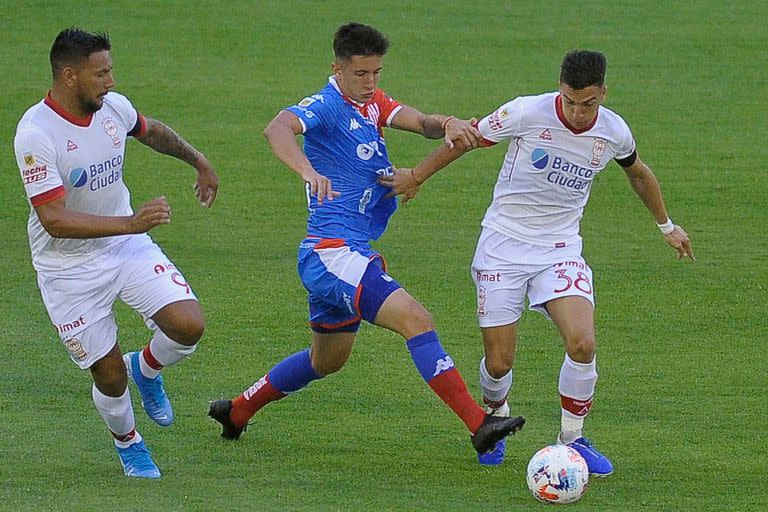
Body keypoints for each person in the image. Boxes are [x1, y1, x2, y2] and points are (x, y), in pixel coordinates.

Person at [208, 22, 525, 456]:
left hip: (346, 253)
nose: (370, 82)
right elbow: (276, 128)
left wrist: (448, 122)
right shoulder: (326, 104)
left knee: (327, 361)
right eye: (360, 74)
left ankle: (237, 411)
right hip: (330, 252)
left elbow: (422, 123)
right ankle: (479, 424)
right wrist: (307, 171)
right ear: (336, 69)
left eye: (376, 72)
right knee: (417, 319)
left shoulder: (372, 103)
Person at [379, 49, 695, 473]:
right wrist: (416, 176)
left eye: (589, 103)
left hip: (560, 249)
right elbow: (468, 138)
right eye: (570, 100)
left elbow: (637, 172)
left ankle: (573, 439)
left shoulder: (614, 132)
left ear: (603, 93)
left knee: (583, 342)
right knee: (499, 362)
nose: (579, 112)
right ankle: (494, 421)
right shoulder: (526, 112)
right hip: (502, 247)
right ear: (560, 89)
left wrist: (666, 226)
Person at [13, 28, 219, 479]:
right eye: (100, 72)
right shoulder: (35, 133)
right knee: (108, 375)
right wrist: (131, 222)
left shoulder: (112, 108)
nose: (110, 80)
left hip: (125, 246)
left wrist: (198, 160)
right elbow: (54, 219)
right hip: (67, 269)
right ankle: (129, 444)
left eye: (110, 70)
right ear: (69, 76)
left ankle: (146, 370)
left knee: (188, 326)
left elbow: (151, 131)